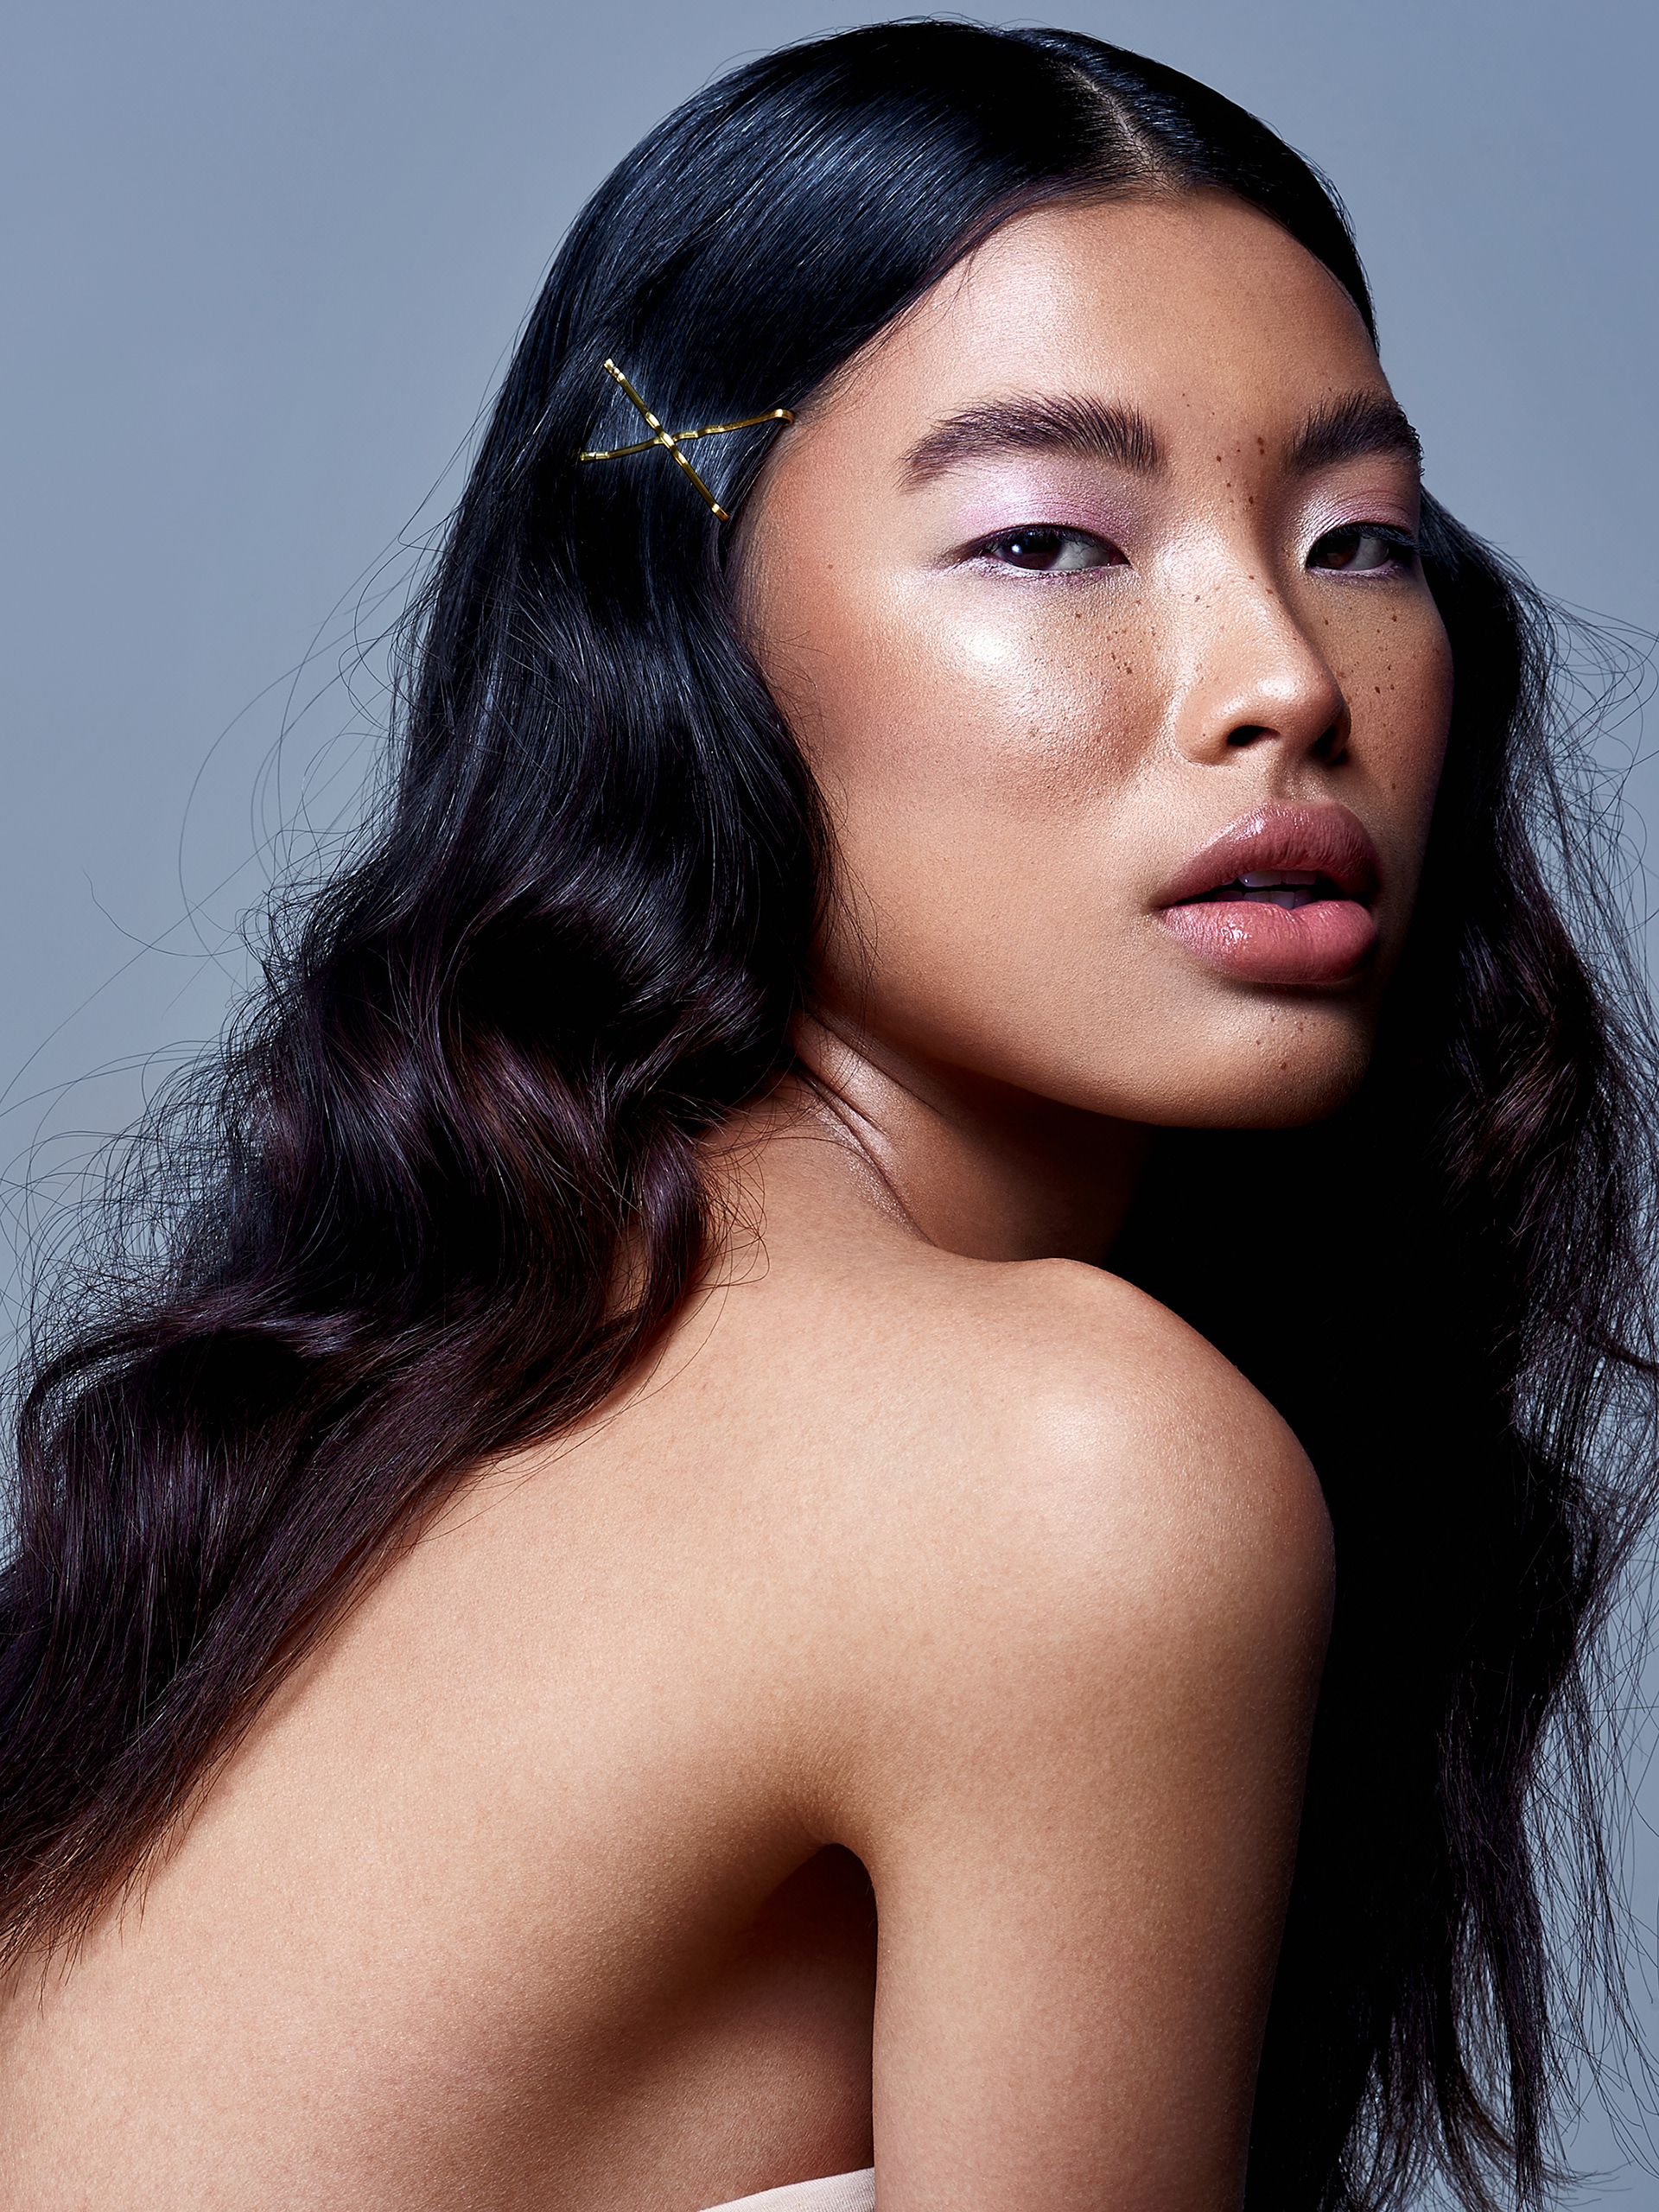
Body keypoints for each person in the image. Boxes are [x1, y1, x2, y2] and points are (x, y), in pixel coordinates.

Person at [1, 22, 1653, 2211]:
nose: (1282, 676)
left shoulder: (444, 1384)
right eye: (1051, 542)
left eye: (1360, 538)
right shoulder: (1067, 1471)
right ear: (682, 634)